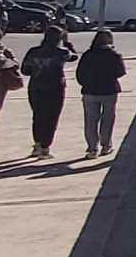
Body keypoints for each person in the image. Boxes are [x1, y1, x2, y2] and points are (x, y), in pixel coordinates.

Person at [20, 24, 76, 159]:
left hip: (36, 87)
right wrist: (67, 42)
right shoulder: (62, 52)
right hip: (55, 88)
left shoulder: (33, 51)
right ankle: (45, 146)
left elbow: (25, 70)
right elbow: (74, 56)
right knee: (51, 118)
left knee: (38, 116)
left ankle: (37, 144)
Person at [75, 26, 126, 157]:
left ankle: (92, 148)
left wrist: (84, 83)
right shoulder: (114, 55)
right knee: (108, 118)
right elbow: (121, 72)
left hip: (90, 90)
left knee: (91, 120)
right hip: (109, 90)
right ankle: (106, 144)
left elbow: (79, 73)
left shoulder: (88, 54)